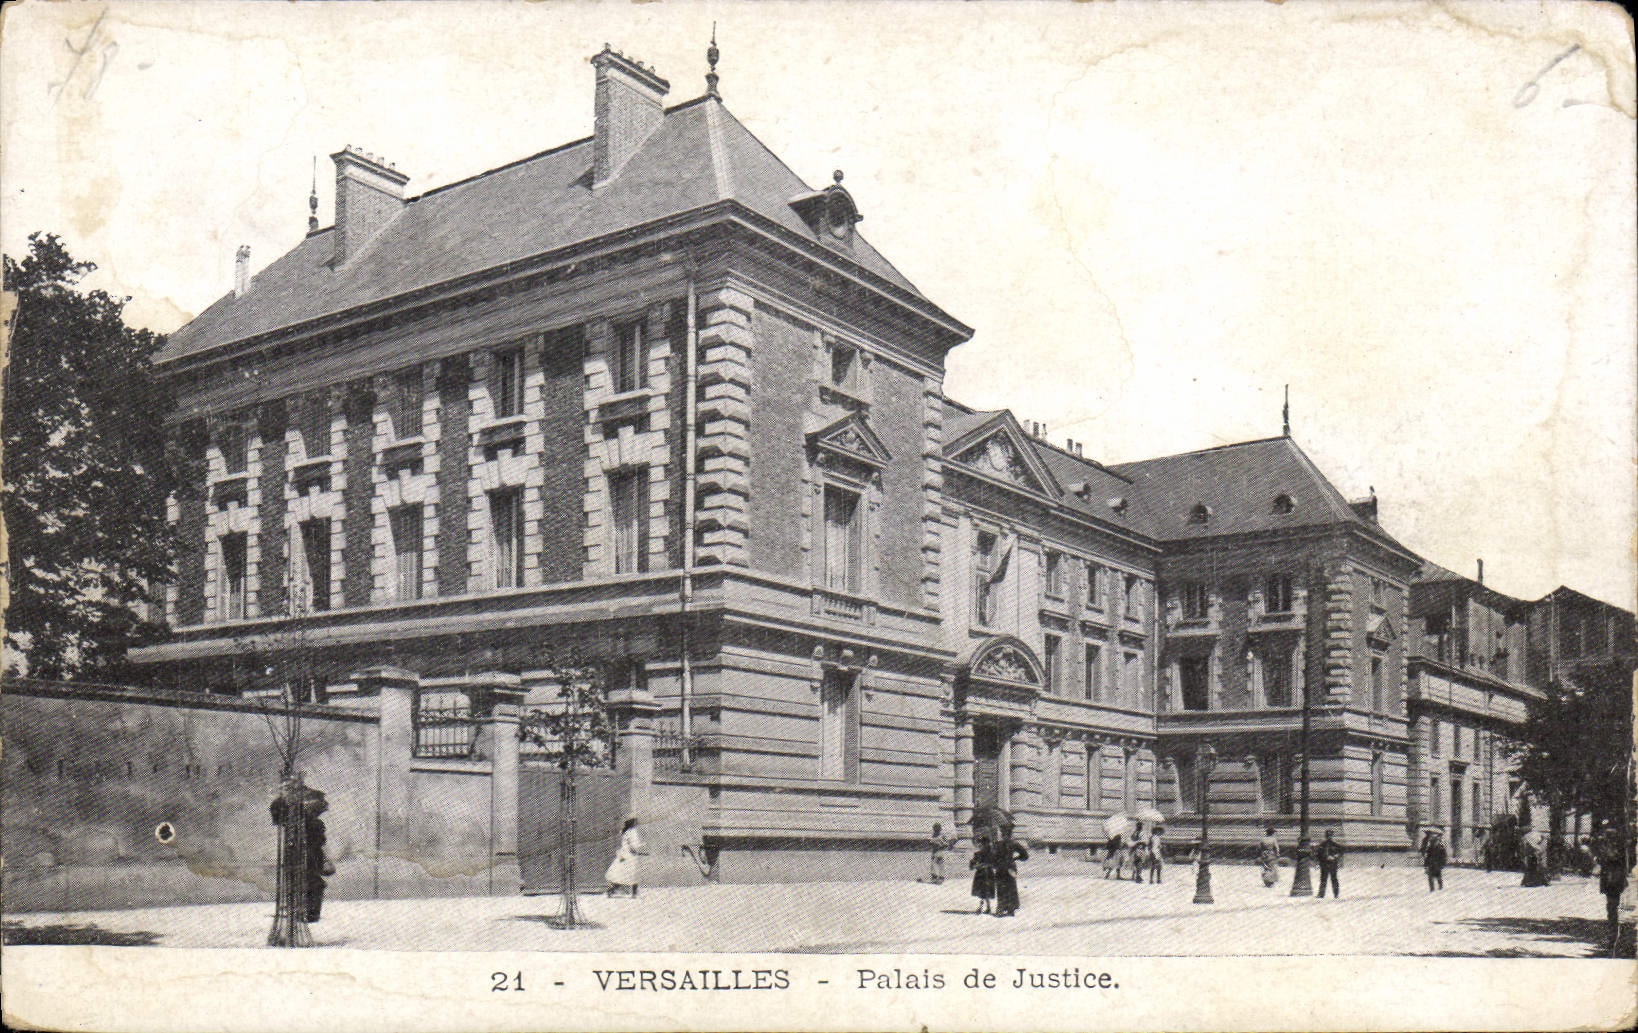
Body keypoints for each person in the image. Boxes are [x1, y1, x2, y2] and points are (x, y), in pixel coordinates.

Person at [1596, 832, 1629, 957]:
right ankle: (1613, 939)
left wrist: (1600, 855)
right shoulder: (1619, 848)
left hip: (1613, 882)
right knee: (1612, 909)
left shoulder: (1615, 849)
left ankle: (1613, 940)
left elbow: (1608, 860)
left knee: (1613, 910)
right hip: (1613, 882)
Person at [604, 817, 647, 898]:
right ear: (632, 823)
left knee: (623, 874)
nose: (637, 823)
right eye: (635, 821)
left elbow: (627, 844)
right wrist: (641, 848)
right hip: (630, 855)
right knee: (633, 874)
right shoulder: (632, 831)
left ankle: (612, 890)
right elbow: (633, 845)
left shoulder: (625, 831)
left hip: (624, 854)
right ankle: (634, 893)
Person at [992, 829, 1029, 917]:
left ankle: (1002, 909)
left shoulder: (998, 844)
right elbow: (1025, 856)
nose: (1003, 836)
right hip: (1009, 868)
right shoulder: (1014, 844)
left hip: (1001, 868)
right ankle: (1010, 909)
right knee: (1010, 888)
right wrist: (1015, 858)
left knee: (1001, 888)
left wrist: (995, 864)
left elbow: (993, 857)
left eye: (1003, 834)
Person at [970, 832, 996, 914]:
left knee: (985, 891)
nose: (980, 845)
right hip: (981, 874)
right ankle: (986, 907)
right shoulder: (977, 854)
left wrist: (980, 865)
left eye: (981, 843)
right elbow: (972, 865)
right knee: (982, 891)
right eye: (979, 843)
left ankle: (984, 907)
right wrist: (974, 864)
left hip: (987, 873)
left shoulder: (990, 854)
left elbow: (991, 863)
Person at [1316, 829, 1344, 899]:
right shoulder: (1322, 845)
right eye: (1327, 836)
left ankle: (1336, 894)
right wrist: (1324, 858)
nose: (1329, 837)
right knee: (1323, 879)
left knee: (1334, 879)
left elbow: (1340, 853)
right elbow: (1318, 854)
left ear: (1332, 836)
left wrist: (1335, 857)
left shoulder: (1336, 845)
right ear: (1325, 836)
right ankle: (1321, 894)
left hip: (1333, 864)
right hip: (1324, 864)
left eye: (1330, 835)